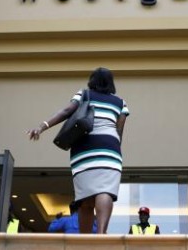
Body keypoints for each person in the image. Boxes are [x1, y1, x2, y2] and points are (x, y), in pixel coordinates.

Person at [28, 67, 129, 234]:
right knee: (105, 191)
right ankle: (102, 234)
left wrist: (42, 127)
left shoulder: (83, 94)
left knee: (85, 199)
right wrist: (113, 152)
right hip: (111, 151)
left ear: (92, 81)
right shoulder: (121, 102)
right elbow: (119, 132)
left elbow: (67, 111)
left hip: (84, 150)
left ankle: (85, 242)